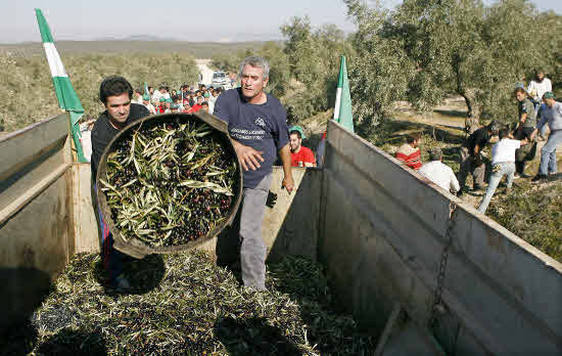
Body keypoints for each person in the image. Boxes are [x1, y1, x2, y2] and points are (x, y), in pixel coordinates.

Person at [213, 56, 294, 291]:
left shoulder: (274, 108)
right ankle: (229, 266)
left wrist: (288, 176)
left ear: (265, 81)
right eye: (245, 77)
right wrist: (237, 147)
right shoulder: (228, 99)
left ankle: (255, 288)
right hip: (227, 177)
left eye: (254, 78)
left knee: (248, 233)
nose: (248, 82)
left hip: (258, 178)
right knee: (227, 227)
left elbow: (283, 144)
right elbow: (217, 130)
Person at [90, 76, 150, 290]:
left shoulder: (141, 114)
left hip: (140, 178)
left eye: (125, 104)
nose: (122, 110)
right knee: (110, 230)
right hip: (108, 184)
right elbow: (108, 173)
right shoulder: (100, 132)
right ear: (105, 106)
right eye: (115, 106)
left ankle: (136, 263)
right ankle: (114, 278)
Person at [477, 128, 528, 213]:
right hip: (510, 164)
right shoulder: (512, 142)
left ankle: (481, 210)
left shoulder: (495, 145)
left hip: (498, 166)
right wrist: (527, 137)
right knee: (511, 172)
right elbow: (524, 142)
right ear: (508, 135)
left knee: (490, 190)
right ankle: (508, 188)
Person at [458, 120, 500, 195]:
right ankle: (459, 188)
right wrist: (478, 160)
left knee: (481, 166)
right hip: (466, 149)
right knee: (464, 169)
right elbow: (476, 149)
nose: (498, 132)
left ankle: (477, 186)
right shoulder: (483, 134)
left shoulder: (488, 133)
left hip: (472, 150)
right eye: (498, 130)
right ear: (494, 129)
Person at [531, 92, 562, 182]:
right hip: (553, 131)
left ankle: (542, 174)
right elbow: (542, 121)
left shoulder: (559, 106)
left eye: (545, 101)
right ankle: (553, 171)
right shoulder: (546, 109)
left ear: (551, 99)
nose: (544, 102)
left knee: (545, 150)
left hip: (560, 131)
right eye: (543, 101)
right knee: (551, 151)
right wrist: (535, 131)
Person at [513, 87, 537, 177]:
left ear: (524, 94)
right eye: (516, 96)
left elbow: (523, 116)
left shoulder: (525, 103)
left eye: (519, 95)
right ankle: (519, 171)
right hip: (527, 127)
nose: (517, 97)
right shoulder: (523, 103)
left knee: (525, 149)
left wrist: (519, 128)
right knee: (521, 150)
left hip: (527, 128)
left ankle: (519, 170)